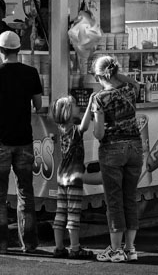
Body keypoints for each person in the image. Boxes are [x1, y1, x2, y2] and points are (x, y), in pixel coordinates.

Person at [0, 30, 43, 255]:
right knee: (26, 192)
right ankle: (30, 244)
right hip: (24, 140)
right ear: (19, 49)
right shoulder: (31, 73)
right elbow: (38, 104)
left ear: (0, 50)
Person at [87, 55, 143, 263]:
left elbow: (99, 134)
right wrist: (117, 73)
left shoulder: (99, 98)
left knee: (114, 200)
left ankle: (115, 249)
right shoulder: (130, 90)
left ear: (99, 75)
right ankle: (130, 248)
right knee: (130, 197)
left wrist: (94, 119)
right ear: (116, 71)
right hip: (135, 147)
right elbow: (135, 83)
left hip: (112, 149)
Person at [50, 95, 95, 259]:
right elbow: (84, 126)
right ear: (68, 112)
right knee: (73, 213)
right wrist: (90, 105)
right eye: (75, 105)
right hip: (74, 177)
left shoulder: (60, 130)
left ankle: (58, 247)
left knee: (60, 212)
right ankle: (75, 248)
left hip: (61, 176)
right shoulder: (74, 131)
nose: (78, 107)